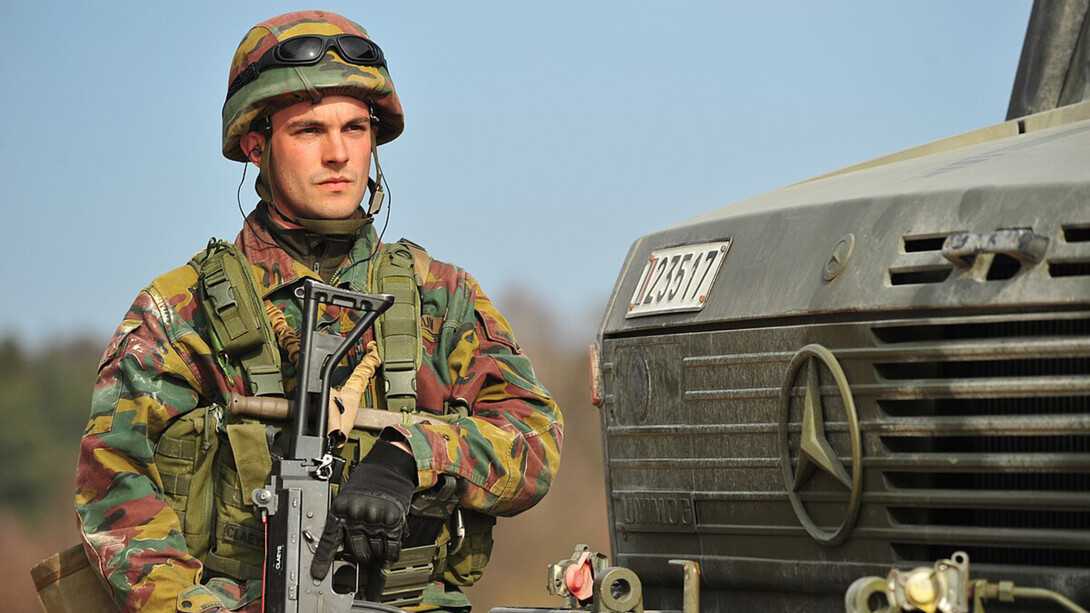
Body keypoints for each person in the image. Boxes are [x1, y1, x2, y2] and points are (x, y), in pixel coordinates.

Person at [74, 10, 563, 613]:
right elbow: (113, 485)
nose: (338, 154)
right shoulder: (181, 312)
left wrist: (411, 454)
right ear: (256, 145)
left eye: (355, 129)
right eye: (309, 130)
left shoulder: (440, 295)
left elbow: (536, 441)